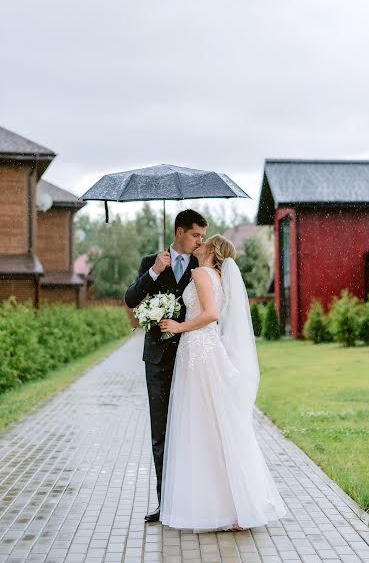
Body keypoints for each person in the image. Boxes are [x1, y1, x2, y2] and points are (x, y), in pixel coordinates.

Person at [158, 234, 286, 531]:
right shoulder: (218, 276)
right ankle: (236, 504)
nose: (198, 244)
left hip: (199, 350)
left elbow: (211, 314)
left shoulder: (202, 273)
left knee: (205, 426)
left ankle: (226, 505)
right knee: (218, 425)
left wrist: (178, 326)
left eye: (204, 241)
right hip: (206, 349)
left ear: (212, 251)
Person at [124, 209, 207, 522]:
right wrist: (156, 272)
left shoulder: (201, 264)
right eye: (195, 235)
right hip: (157, 360)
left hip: (191, 358)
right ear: (179, 231)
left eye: (201, 236)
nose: (199, 241)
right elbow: (131, 299)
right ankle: (165, 503)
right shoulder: (151, 262)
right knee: (161, 432)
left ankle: (193, 498)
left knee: (191, 429)